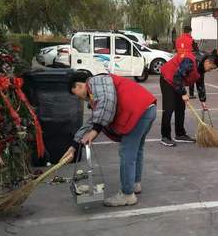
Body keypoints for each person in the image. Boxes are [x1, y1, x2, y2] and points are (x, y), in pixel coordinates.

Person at [66, 71, 158, 207]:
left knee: (127, 152)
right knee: (136, 149)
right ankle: (134, 184)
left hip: (138, 111)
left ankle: (127, 195)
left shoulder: (97, 82)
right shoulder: (96, 90)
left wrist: (95, 130)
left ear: (79, 86)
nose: (79, 99)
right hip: (147, 108)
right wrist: (74, 145)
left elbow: (106, 104)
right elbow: (94, 119)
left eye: (76, 94)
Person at [159, 50, 218, 147]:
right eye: (211, 68)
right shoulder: (190, 61)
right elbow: (177, 76)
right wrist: (184, 93)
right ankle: (165, 136)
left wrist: (203, 101)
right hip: (168, 79)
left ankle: (180, 134)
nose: (210, 70)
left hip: (178, 82)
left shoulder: (201, 67)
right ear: (207, 62)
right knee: (169, 107)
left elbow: (200, 83)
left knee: (180, 108)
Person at [175, 25, 198, 99]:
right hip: (188, 59)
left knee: (180, 76)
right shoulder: (191, 40)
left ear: (183, 31)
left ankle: (180, 92)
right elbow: (196, 49)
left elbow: (176, 49)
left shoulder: (178, 39)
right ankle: (191, 94)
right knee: (191, 75)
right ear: (190, 31)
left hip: (179, 59)